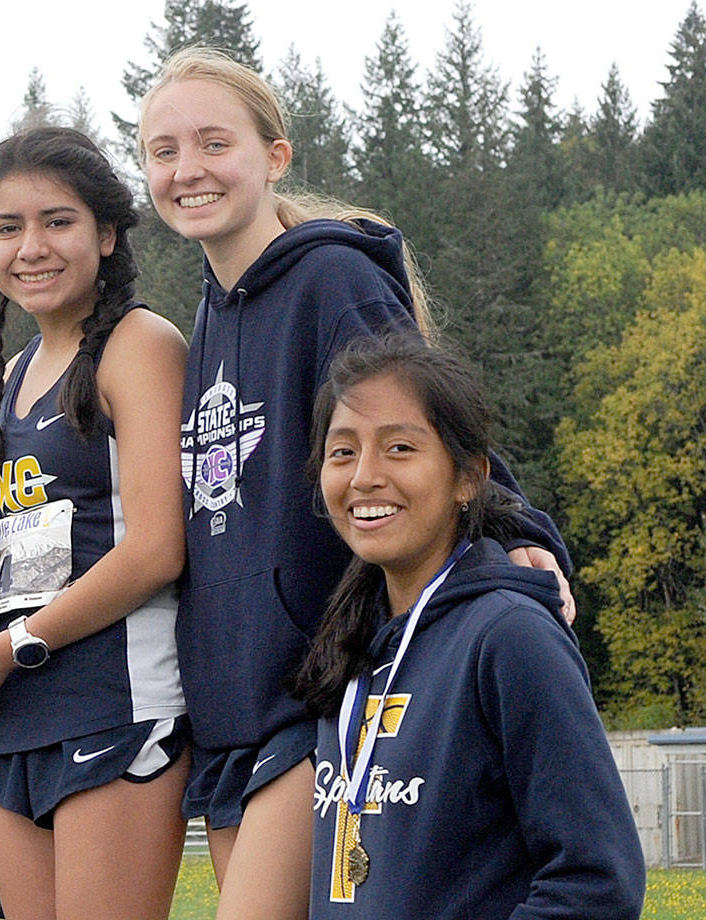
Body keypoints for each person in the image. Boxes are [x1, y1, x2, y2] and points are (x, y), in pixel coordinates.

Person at [137, 47, 575, 920]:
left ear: (275, 156)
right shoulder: (208, 315)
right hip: (229, 712)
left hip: (316, 692)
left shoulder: (329, 280)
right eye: (163, 151)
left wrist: (520, 533)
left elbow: (428, 426)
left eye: (214, 143)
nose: (188, 170)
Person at [0, 126, 190, 920]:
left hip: (113, 704)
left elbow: (155, 550)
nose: (31, 247)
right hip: (12, 713)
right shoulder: (16, 372)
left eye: (57, 221)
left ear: (106, 235)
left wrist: (10, 648)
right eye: (7, 228)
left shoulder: (140, 345)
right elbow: (64, 524)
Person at [293, 334, 644, 918]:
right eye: (343, 451)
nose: (364, 476)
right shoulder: (350, 644)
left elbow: (597, 881)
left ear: (469, 478)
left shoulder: (511, 636)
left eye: (400, 448)